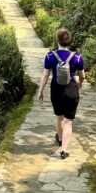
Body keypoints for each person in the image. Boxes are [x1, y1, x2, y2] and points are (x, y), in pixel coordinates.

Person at [37, 28, 85, 159]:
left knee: (59, 117)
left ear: (57, 40)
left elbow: (45, 75)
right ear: (69, 41)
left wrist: (40, 90)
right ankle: (63, 150)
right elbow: (82, 76)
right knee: (68, 121)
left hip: (56, 91)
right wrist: (80, 84)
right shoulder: (77, 57)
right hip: (71, 91)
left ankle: (60, 139)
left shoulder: (50, 56)